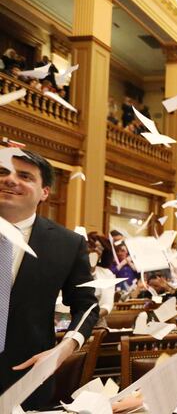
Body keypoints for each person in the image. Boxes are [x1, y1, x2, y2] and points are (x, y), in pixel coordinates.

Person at [0, 149, 99, 410]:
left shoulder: (68, 244)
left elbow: (87, 305)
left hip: (26, 378)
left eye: (24, 175)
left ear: (44, 191)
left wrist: (65, 347)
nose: (10, 179)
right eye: (2, 172)